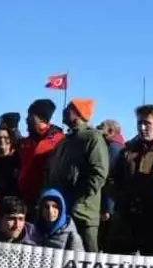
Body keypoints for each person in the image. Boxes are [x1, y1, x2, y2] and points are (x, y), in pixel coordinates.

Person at [106, 104, 153, 255]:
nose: (142, 127)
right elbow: (111, 180)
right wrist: (122, 199)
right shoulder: (127, 152)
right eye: (139, 123)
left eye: (147, 123)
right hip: (125, 222)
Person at [44, 98, 109, 252]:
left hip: (83, 215)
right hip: (61, 213)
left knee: (88, 261)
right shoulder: (63, 142)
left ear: (79, 113)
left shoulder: (92, 138)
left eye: (69, 108)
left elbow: (99, 173)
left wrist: (78, 201)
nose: (64, 110)